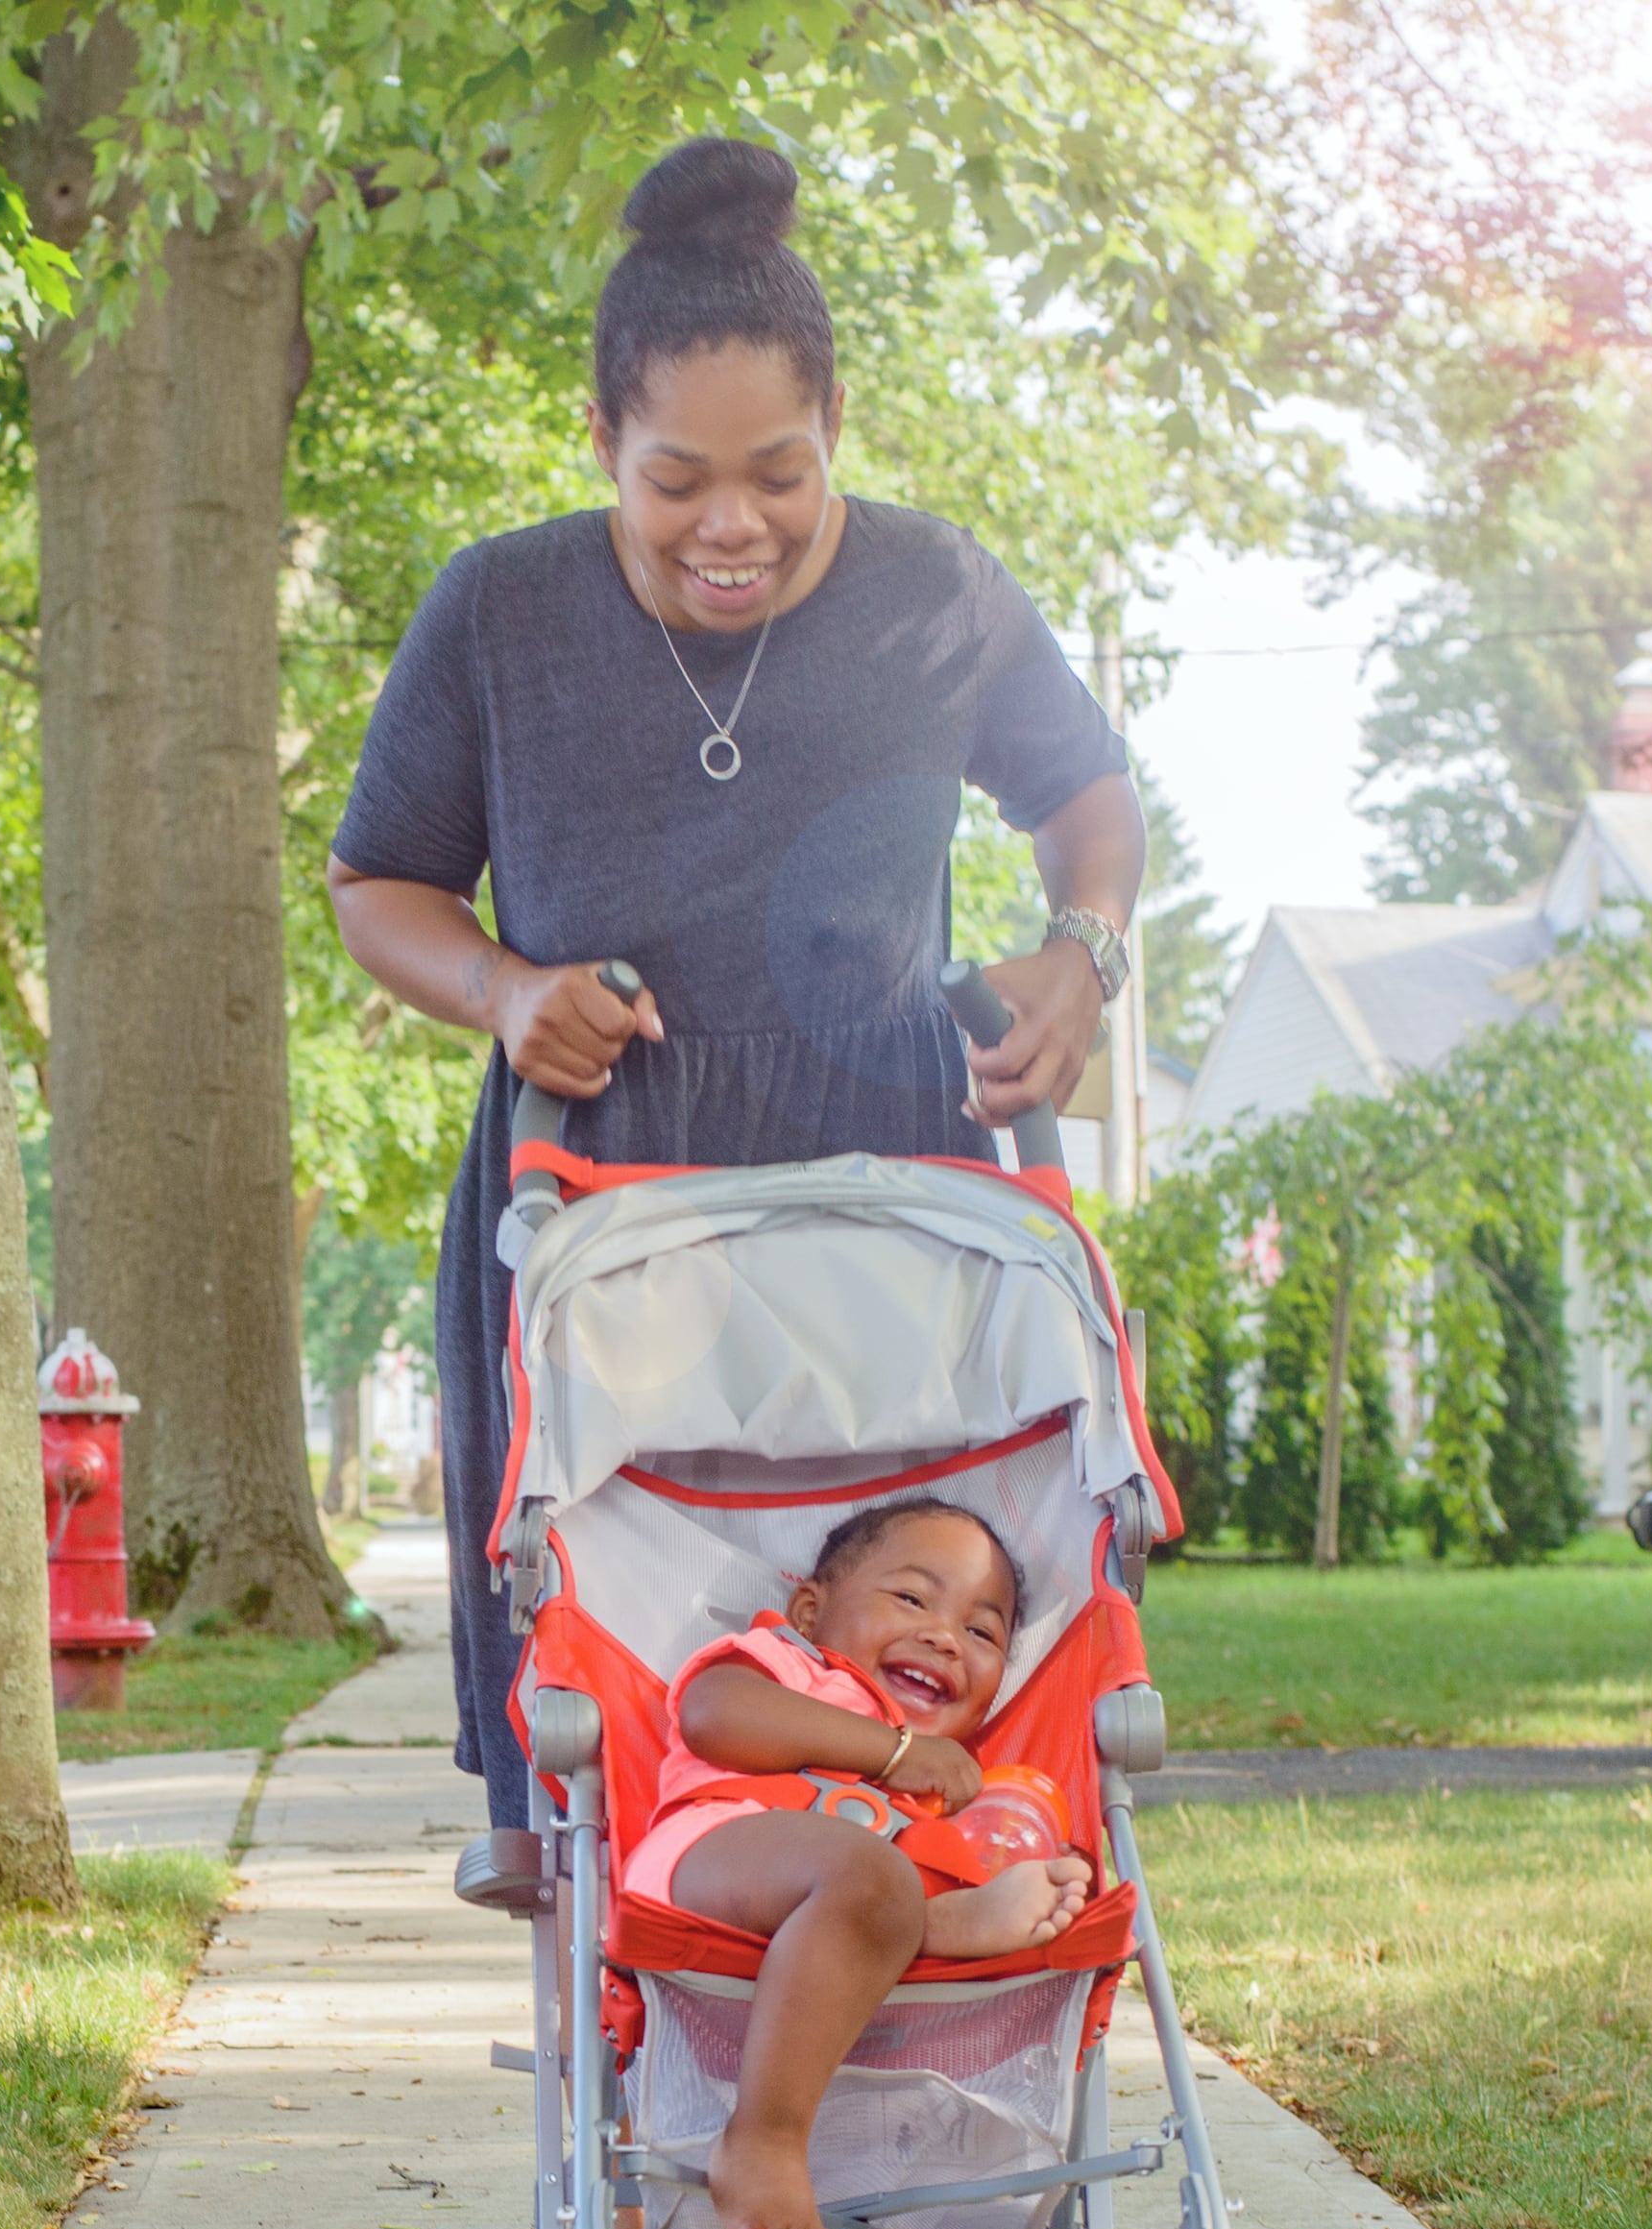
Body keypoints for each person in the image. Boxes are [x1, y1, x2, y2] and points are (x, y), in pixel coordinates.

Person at [323, 132, 1147, 1847]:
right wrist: (498, 985)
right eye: (677, 479)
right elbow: (375, 884)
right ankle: (600, 1956)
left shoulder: (935, 591)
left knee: (880, 1585)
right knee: (600, 1636)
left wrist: (1087, 950)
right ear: (601, 443)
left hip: (883, 1161)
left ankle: (888, 1944)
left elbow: (1089, 799)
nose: (733, 526)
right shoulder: (499, 611)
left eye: (780, 471)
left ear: (836, 419)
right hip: (598, 1172)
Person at [628, 1500, 1090, 2229]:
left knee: (890, 1877)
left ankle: (941, 1917)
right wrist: (889, 1751)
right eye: (913, 1600)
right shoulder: (788, 1665)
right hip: (715, 1855)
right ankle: (762, 2137)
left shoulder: (951, 1783)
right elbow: (710, 1714)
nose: (947, 1636)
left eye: (983, 1631)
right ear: (810, 1611)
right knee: (874, 1874)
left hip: (844, 1922)